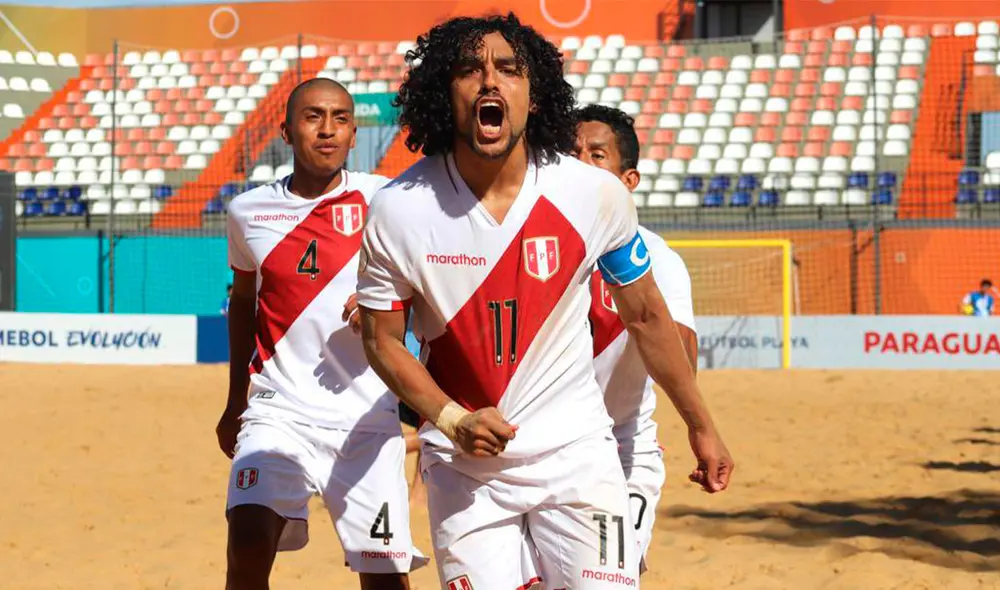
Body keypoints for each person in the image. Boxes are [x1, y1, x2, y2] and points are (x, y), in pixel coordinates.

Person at [355, 13, 734, 590]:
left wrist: (700, 424)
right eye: (469, 70)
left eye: (509, 69)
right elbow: (381, 340)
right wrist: (452, 420)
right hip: (465, 471)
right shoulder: (399, 207)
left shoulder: (593, 194)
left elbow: (647, 316)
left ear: (534, 96)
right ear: (443, 91)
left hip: (578, 458)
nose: (490, 82)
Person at [217, 77, 426, 590]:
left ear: (354, 133)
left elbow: (427, 286)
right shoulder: (247, 212)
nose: (327, 130)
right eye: (313, 117)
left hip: (367, 423)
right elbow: (244, 301)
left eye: (339, 119)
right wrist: (234, 400)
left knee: (385, 581)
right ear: (287, 131)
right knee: (245, 548)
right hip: (278, 413)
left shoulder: (387, 201)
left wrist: (385, 306)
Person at [571, 104, 699, 575]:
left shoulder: (657, 260)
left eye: (596, 154)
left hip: (623, 444)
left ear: (628, 181)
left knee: (616, 574)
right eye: (572, 152)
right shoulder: (531, 245)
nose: (581, 163)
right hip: (542, 444)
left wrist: (645, 310)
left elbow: (683, 361)